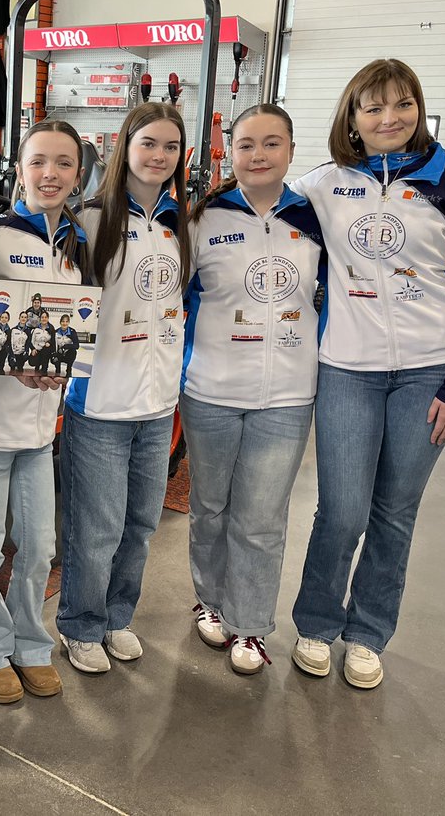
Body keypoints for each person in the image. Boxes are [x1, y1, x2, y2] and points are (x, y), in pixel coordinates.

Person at [288, 59, 445, 690]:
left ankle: (368, 633)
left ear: (419, 109)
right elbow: (259, 218)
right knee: (343, 510)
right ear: (351, 117)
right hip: (347, 370)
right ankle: (317, 623)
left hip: (428, 375)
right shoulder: (323, 185)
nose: (389, 119)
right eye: (373, 108)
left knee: (395, 512)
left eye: (402, 105)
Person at [179, 104, 324, 676]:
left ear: (291, 150)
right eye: (246, 145)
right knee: (210, 508)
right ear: (229, 151)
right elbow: (177, 302)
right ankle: (210, 600)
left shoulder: (314, 220)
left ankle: (252, 625)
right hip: (211, 389)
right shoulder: (202, 218)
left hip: (287, 396)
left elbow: (337, 298)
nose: (258, 155)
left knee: (261, 517)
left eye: (271, 143)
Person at [0, 119, 88, 704]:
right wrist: (9, 363)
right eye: (38, 161)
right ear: (20, 168)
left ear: (78, 174)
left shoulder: (78, 244)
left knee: (39, 546)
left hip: (41, 426)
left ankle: (31, 644)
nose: (50, 174)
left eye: (63, 163)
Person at [56, 102, 190, 674]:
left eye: (170, 147)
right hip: (100, 402)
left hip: (158, 405)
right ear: (124, 148)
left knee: (140, 522)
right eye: (148, 144)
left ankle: (116, 616)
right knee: (96, 526)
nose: (159, 156)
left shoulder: (183, 222)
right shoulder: (88, 218)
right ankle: (80, 624)